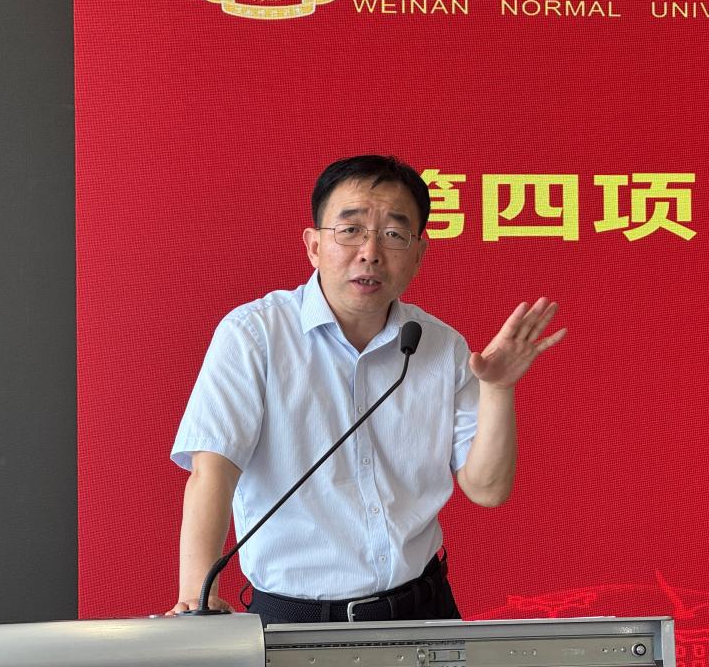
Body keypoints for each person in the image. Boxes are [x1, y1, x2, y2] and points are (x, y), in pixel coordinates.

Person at [168, 155, 565, 623]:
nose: (370, 252)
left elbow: (487, 490)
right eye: (351, 230)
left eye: (394, 234)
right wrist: (196, 598)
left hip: (423, 610)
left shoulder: (441, 346)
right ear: (314, 245)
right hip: (297, 617)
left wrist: (497, 390)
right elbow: (214, 470)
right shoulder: (255, 335)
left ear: (418, 255)